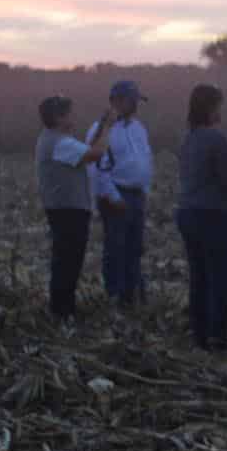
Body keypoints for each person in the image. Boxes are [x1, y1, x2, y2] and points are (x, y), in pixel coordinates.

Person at [177, 83, 227, 350]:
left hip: (187, 213)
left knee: (199, 276)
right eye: (218, 105)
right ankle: (218, 335)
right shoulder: (216, 138)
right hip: (213, 215)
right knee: (219, 277)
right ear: (211, 107)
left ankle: (199, 333)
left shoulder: (188, 137)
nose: (221, 110)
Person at [35, 96, 117, 320]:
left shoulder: (54, 140)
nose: (74, 117)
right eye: (70, 113)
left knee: (67, 262)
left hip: (65, 209)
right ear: (59, 117)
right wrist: (108, 126)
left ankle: (62, 310)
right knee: (68, 264)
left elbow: (87, 150)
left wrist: (100, 126)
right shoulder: (59, 142)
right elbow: (96, 154)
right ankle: (62, 312)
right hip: (68, 210)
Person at [87, 79, 154, 306]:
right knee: (115, 247)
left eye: (137, 100)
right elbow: (97, 167)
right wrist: (112, 196)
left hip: (136, 195)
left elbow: (146, 158)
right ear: (115, 101)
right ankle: (114, 295)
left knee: (135, 248)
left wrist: (145, 189)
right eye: (131, 100)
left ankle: (132, 293)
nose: (135, 105)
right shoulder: (100, 130)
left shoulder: (138, 128)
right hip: (115, 195)